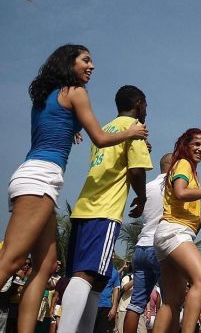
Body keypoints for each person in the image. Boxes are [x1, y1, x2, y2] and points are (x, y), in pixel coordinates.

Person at [0, 45, 147, 333]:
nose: (91, 66)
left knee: (45, 266)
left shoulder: (47, 96)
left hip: (32, 176)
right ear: (69, 63)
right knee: (13, 260)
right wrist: (133, 131)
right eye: (86, 60)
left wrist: (73, 128)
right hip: (41, 178)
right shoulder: (77, 92)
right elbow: (103, 138)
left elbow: (56, 126)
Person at [58, 85, 152, 333]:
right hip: (105, 209)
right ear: (139, 103)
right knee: (86, 275)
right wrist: (142, 197)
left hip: (83, 207)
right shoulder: (134, 130)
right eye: (146, 105)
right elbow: (135, 170)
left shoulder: (107, 128)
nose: (147, 110)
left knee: (97, 280)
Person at [152, 128, 201, 333]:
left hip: (168, 233)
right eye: (197, 144)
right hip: (174, 232)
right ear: (186, 145)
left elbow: (184, 205)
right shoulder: (184, 164)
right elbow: (181, 192)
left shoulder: (189, 170)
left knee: (172, 301)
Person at [124, 153, 172, 333]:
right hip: (160, 247)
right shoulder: (175, 185)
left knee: (136, 303)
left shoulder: (146, 187)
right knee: (169, 301)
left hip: (141, 246)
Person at [93, 265, 120, 333]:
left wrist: (114, 308)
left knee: (102, 330)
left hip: (106, 306)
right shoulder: (95, 267)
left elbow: (116, 289)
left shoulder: (115, 272)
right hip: (92, 304)